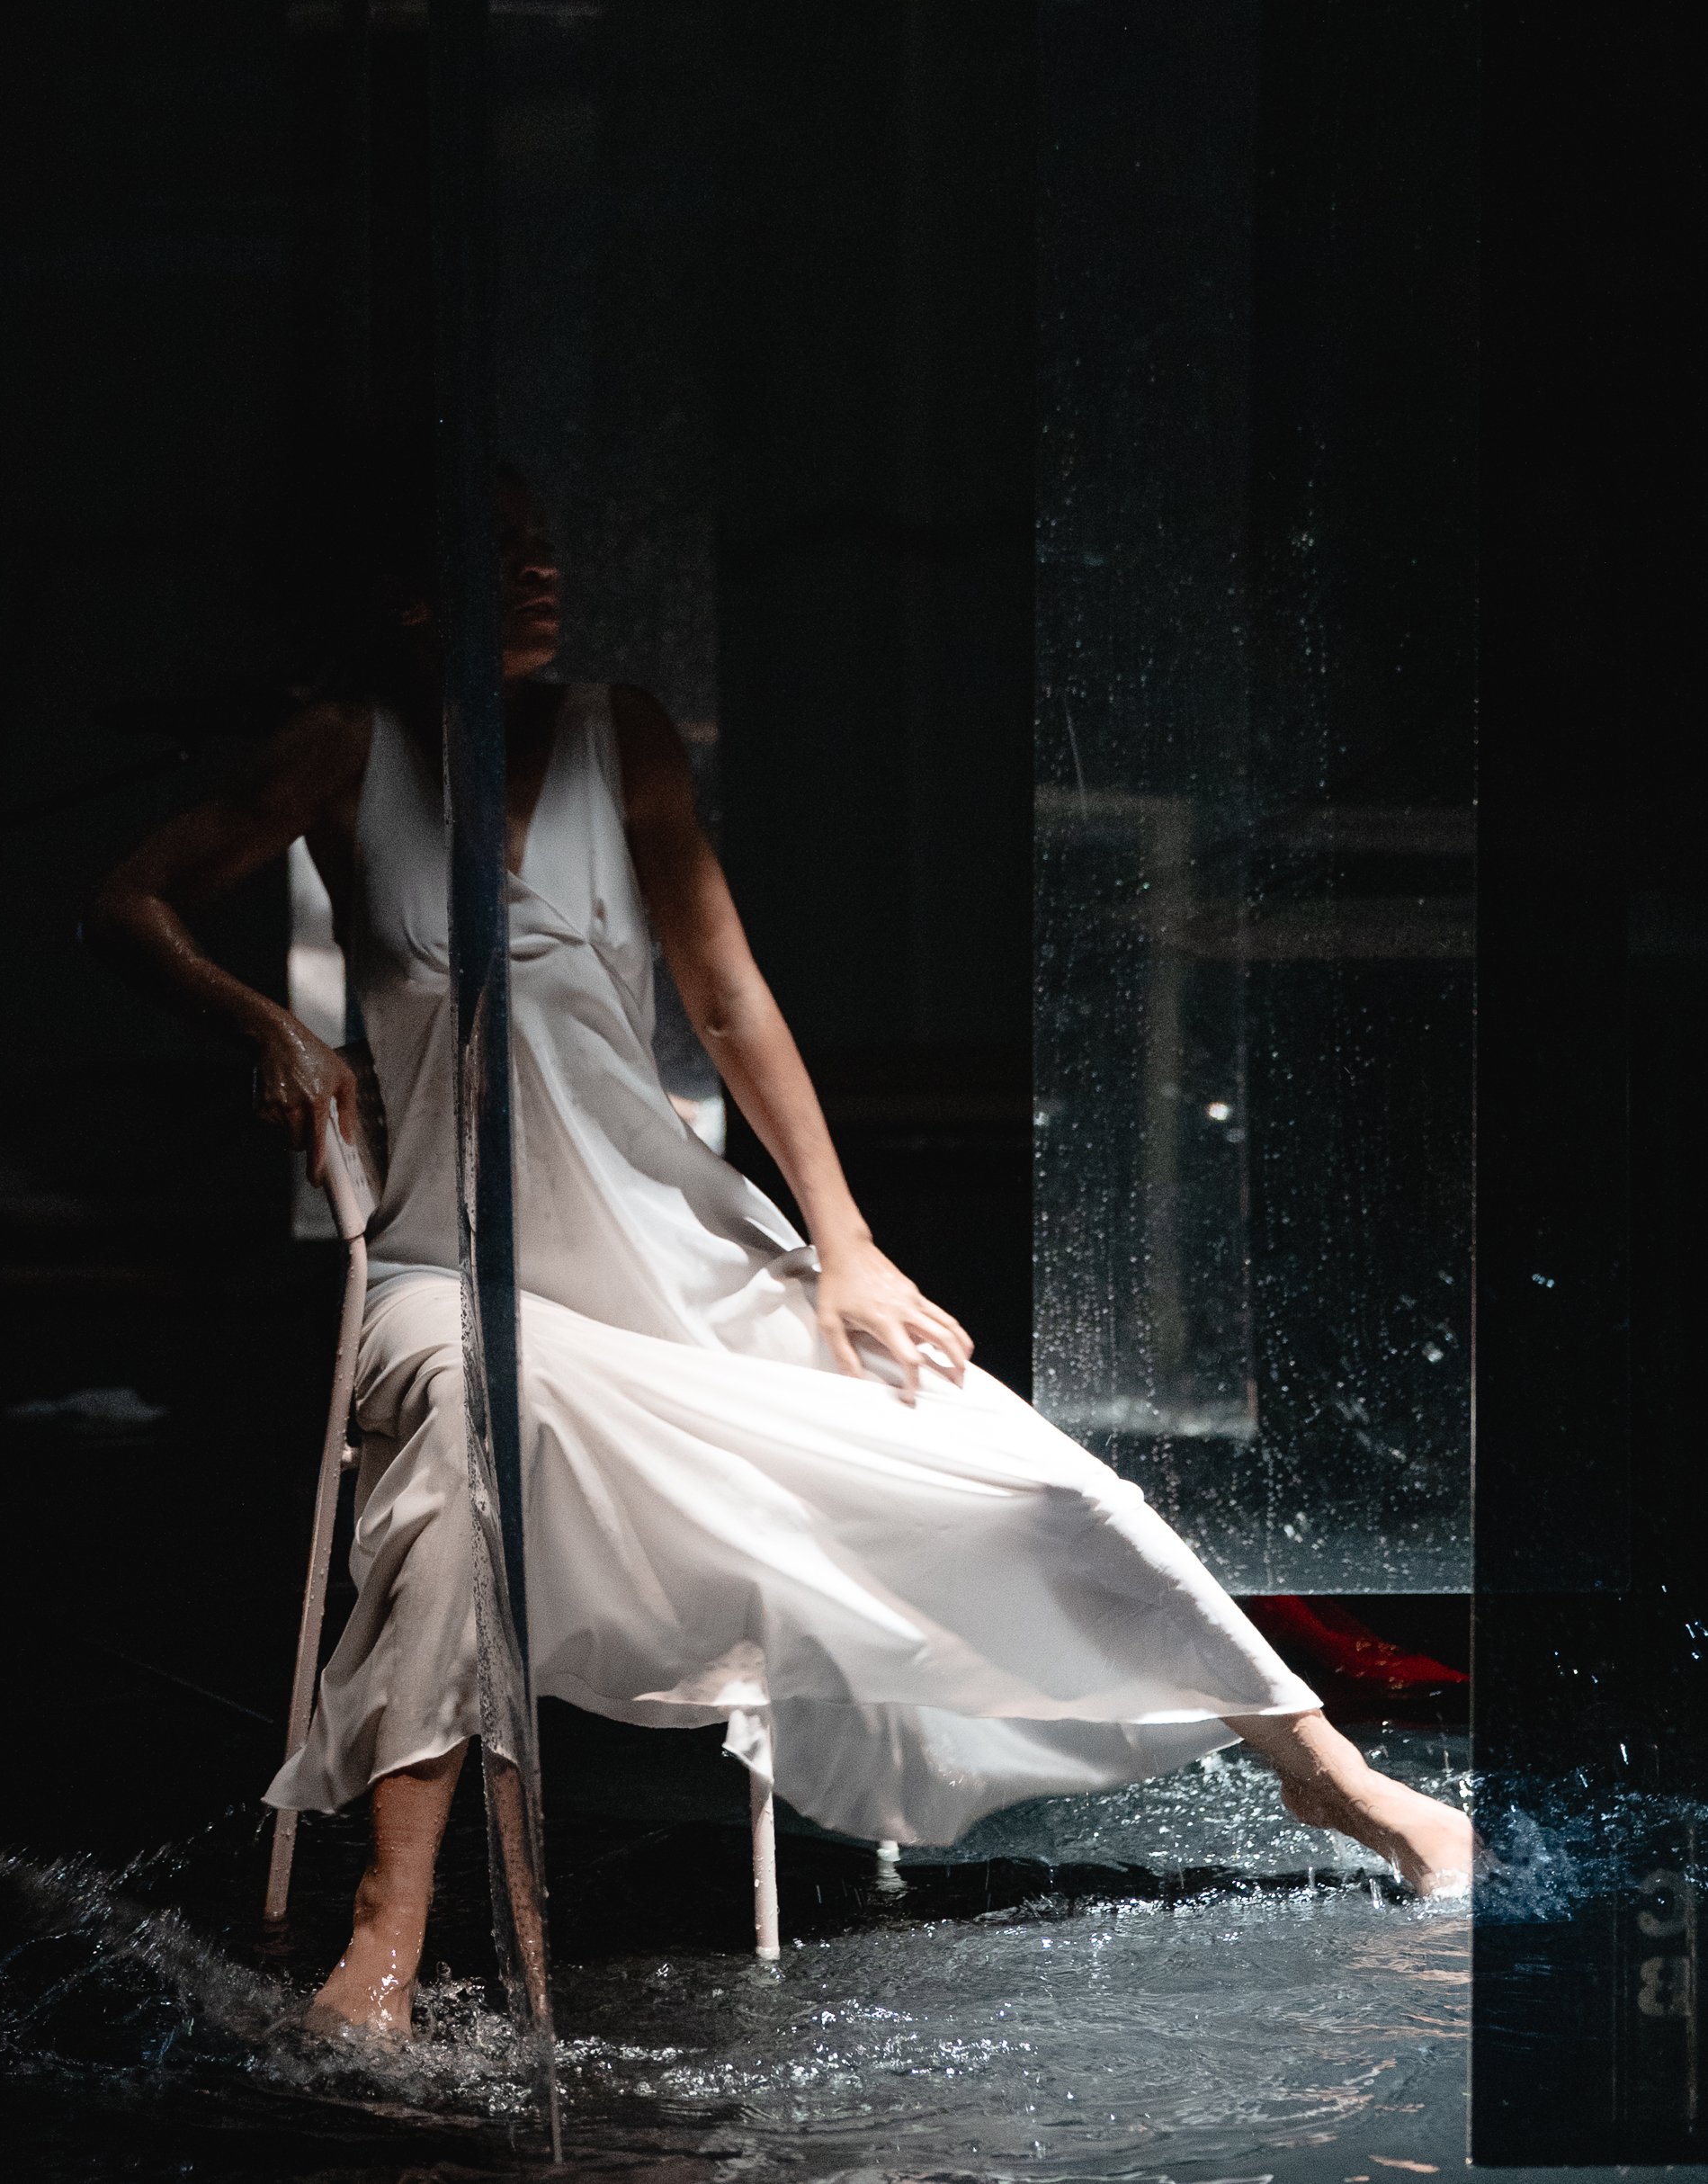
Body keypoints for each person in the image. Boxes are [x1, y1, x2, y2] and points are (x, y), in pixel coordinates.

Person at [85, 479, 1471, 2035]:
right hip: (443, 1264)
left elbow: (729, 997)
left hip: (670, 1242)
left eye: (546, 546)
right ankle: (383, 1937)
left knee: (1025, 1472)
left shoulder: (618, 734)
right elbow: (126, 900)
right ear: (411, 591)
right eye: (498, 551)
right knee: (470, 1446)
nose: (541, 571)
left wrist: (846, 1246)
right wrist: (264, 1024)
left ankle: (1331, 1776)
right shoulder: (346, 749)